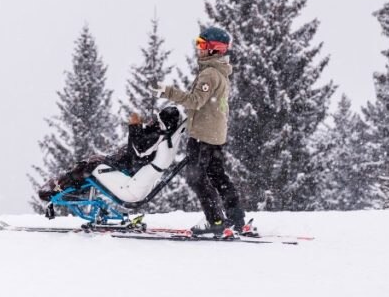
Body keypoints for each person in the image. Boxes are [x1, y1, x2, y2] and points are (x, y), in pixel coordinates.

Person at [156, 25, 249, 238]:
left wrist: (168, 92)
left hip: (203, 135)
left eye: (202, 44)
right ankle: (236, 219)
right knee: (217, 175)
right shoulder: (221, 72)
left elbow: (195, 101)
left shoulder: (209, 74)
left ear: (214, 48)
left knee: (196, 177)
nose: (198, 49)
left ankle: (215, 219)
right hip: (216, 134)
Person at [37, 105, 184, 204]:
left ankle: (58, 188)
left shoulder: (158, 135)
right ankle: (68, 187)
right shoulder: (161, 135)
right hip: (126, 166)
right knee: (92, 162)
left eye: (157, 119)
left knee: (90, 165)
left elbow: (138, 151)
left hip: (127, 170)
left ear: (164, 123)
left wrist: (135, 126)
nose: (153, 120)